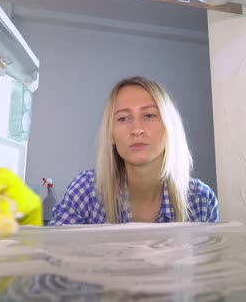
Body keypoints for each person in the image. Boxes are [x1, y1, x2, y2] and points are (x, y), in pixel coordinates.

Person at [49, 76, 219, 225]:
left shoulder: (201, 199)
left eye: (149, 115)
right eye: (123, 118)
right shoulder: (87, 189)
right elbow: (52, 255)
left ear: (170, 128)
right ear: (111, 135)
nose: (137, 129)